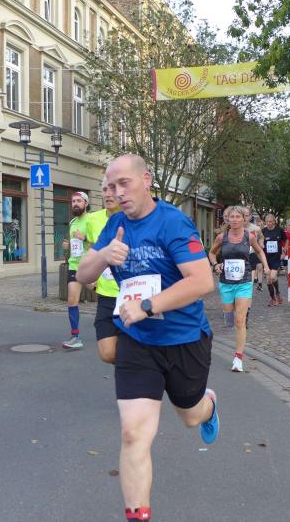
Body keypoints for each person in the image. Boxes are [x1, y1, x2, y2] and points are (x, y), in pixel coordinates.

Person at [76, 154, 218, 522]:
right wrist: (104, 255)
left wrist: (148, 305)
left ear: (146, 180)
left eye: (124, 183)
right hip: (137, 340)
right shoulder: (115, 225)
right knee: (132, 433)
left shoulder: (173, 222)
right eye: (111, 186)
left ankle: (208, 405)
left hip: (183, 338)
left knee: (190, 415)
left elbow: (202, 281)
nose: (117, 192)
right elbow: (83, 274)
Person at [208, 205, 270, 372]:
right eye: (232, 217)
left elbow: (259, 251)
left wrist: (265, 267)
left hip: (244, 281)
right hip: (226, 282)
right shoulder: (222, 237)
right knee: (229, 319)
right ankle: (230, 316)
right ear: (228, 219)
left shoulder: (249, 236)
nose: (234, 219)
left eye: (238, 217)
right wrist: (215, 265)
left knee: (240, 321)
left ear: (244, 219)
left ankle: (238, 357)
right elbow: (212, 253)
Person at [84, 178, 121, 363]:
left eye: (112, 189)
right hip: (106, 292)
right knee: (108, 353)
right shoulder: (93, 219)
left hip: (133, 293)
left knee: (136, 349)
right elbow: (91, 246)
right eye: (104, 189)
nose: (108, 194)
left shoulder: (134, 218)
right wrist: (91, 277)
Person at [62, 191, 91, 349]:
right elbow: (73, 244)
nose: (75, 204)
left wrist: (85, 238)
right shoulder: (72, 222)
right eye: (73, 201)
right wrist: (67, 246)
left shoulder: (92, 220)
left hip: (91, 265)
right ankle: (75, 336)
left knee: (104, 296)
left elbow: (101, 241)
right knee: (72, 301)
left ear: (86, 203)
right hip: (74, 265)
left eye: (79, 201)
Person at [261, 214, 287, 306]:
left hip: (276, 257)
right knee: (269, 280)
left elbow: (286, 240)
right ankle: (273, 298)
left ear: (274, 222)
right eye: (267, 222)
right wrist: (261, 244)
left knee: (272, 277)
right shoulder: (263, 231)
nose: (269, 223)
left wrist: (285, 250)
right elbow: (260, 241)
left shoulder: (279, 230)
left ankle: (278, 293)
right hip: (266, 258)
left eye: (270, 221)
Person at [243, 207, 265, 291]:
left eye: (246, 215)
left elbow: (261, 237)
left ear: (250, 216)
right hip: (240, 256)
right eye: (242, 215)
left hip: (252, 254)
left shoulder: (256, 228)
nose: (244, 218)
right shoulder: (235, 228)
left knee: (253, 272)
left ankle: (250, 289)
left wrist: (261, 243)